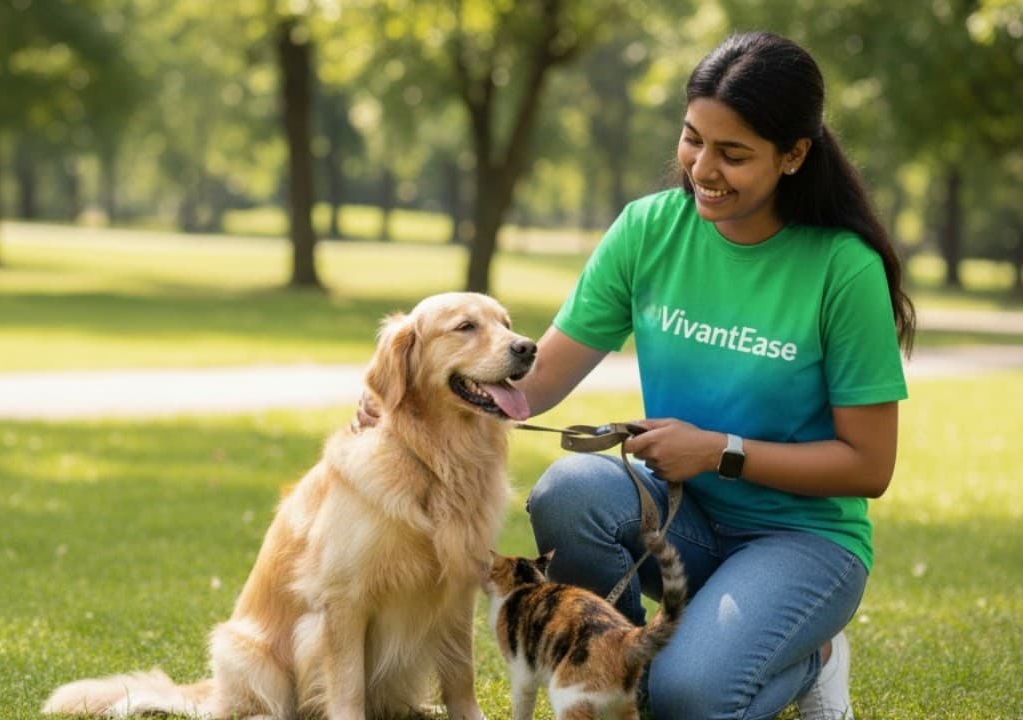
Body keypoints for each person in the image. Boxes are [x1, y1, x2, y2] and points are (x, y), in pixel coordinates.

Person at [357, 29, 914, 720]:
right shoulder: (649, 230)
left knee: (685, 695)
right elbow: (533, 386)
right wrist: (404, 389)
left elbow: (869, 466)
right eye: (692, 139)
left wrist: (718, 451)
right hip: (682, 518)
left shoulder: (842, 267)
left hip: (800, 542)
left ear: (794, 155)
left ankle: (810, 660)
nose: (703, 168)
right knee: (569, 492)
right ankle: (619, 671)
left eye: (733, 154)